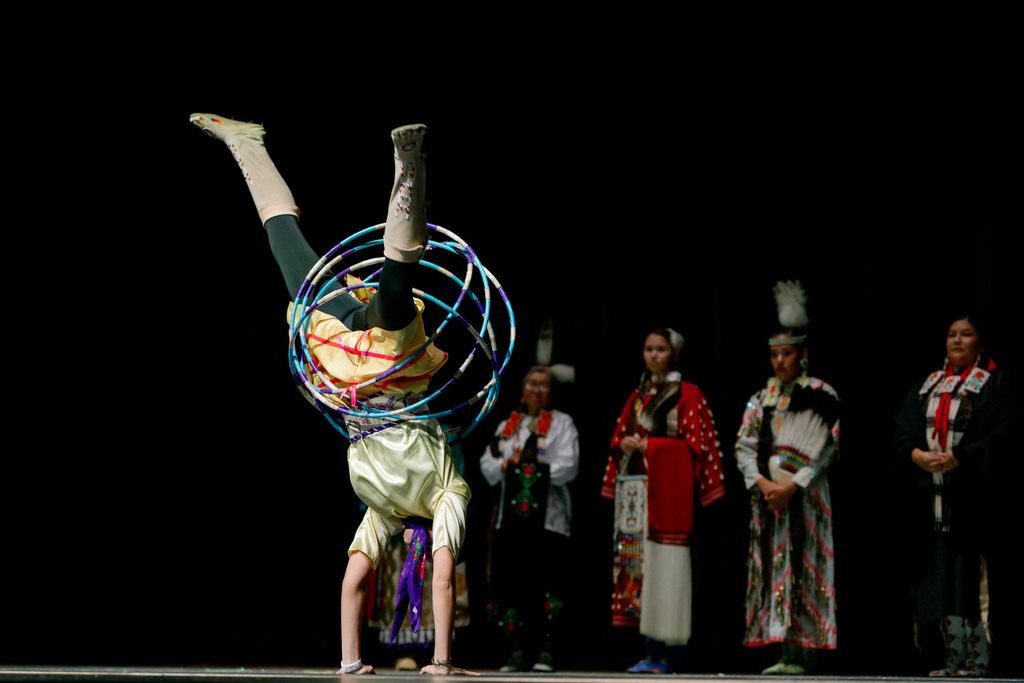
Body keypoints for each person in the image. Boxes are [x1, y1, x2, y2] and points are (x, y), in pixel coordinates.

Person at [190, 113, 478, 676]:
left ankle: (247, 144)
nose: (416, 548)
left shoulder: (384, 510)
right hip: (391, 366)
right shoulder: (448, 496)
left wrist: (351, 662)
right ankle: (409, 167)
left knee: (285, 243)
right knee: (395, 283)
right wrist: (441, 661)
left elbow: (353, 583)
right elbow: (443, 575)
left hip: (341, 358)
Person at [893, 315, 1019, 677]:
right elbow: (902, 428)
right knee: (940, 583)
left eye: (966, 334)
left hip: (973, 504)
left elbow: (1005, 433)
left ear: (981, 343)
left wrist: (962, 458)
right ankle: (953, 659)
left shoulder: (995, 383)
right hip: (932, 502)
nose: (957, 340)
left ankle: (978, 660)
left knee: (968, 583)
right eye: (951, 335)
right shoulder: (930, 384)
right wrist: (915, 455)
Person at [600, 328, 726, 673]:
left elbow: (697, 446)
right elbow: (618, 438)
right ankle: (650, 652)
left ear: (674, 354)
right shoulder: (636, 396)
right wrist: (624, 445)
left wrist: (652, 447)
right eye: (648, 348)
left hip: (669, 499)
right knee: (640, 570)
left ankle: (672, 655)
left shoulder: (688, 394)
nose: (653, 355)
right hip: (637, 498)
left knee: (667, 570)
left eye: (660, 349)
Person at [733, 281, 840, 675]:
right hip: (769, 502)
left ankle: (807, 651)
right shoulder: (760, 399)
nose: (779, 361)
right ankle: (784, 652)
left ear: (803, 355)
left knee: (806, 565)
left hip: (806, 499)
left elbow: (827, 448)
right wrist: (766, 486)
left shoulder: (821, 393)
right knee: (774, 568)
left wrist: (792, 486)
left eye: (787, 354)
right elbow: (743, 447)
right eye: (774, 355)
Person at [480, 366, 580, 672]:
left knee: (549, 583)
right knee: (512, 584)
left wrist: (532, 472)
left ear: (553, 392)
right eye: (532, 384)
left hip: (550, 520)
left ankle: (547, 651)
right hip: (511, 522)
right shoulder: (509, 425)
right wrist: (507, 469)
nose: (537, 390)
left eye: (544, 385)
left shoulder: (563, 423)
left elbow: (569, 465)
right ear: (522, 390)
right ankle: (516, 650)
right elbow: (487, 462)